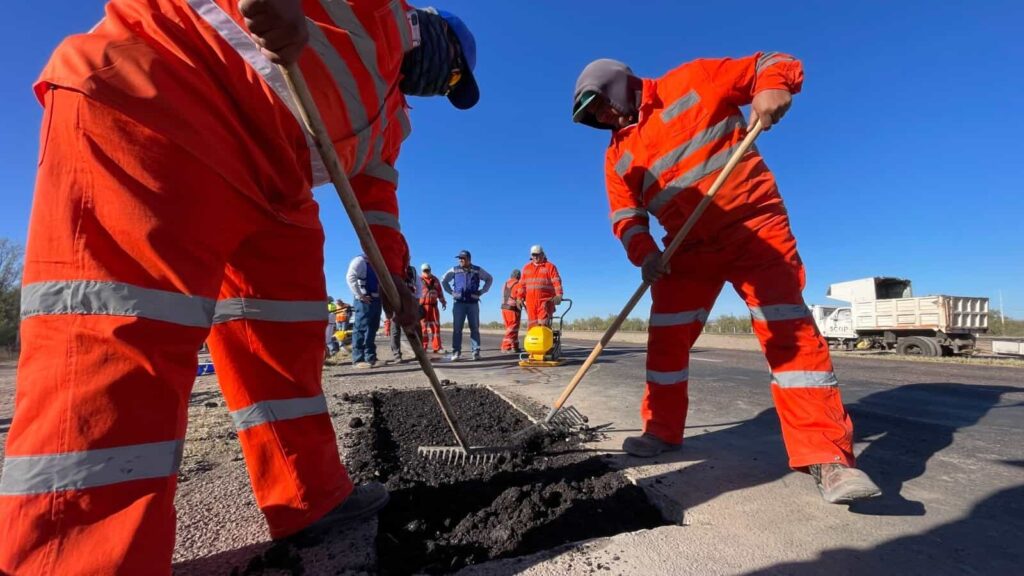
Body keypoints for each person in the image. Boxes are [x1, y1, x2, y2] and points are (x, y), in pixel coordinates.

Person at [0, 1, 481, 572]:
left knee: (285, 346)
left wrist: (395, 277)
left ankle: (309, 496)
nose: (439, 86)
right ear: (435, 30)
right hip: (169, 89)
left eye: (450, 87)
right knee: (119, 337)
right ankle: (76, 558)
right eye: (450, 73)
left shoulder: (392, 118)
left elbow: (377, 201)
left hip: (278, 183)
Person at [571, 54, 880, 504]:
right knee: (665, 343)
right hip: (685, 247)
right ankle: (661, 432)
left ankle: (828, 457)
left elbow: (772, 63)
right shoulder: (618, 155)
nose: (602, 117)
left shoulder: (693, 79)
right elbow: (625, 216)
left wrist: (773, 87)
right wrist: (646, 254)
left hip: (753, 226)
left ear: (617, 84)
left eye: (600, 105)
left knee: (787, 332)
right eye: (593, 116)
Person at [441, 250, 492, 361]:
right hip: (459, 303)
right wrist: (451, 292)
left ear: (469, 259)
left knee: (474, 329)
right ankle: (456, 353)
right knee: (457, 329)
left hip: (473, 303)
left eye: (463, 258)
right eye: (459, 258)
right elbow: (443, 280)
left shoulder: (477, 270)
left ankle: (476, 352)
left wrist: (482, 291)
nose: (461, 260)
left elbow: (489, 278)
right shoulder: (454, 270)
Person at [347, 254, 383, 368]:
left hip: (377, 300)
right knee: (360, 328)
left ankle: (371, 357)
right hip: (364, 301)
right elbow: (350, 277)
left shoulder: (378, 262)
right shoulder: (359, 261)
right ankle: (358, 359)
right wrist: (360, 295)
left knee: (373, 328)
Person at [517, 245, 564, 329]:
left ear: (542, 254)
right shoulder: (526, 268)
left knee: (543, 326)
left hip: (545, 302)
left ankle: (545, 341)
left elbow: (556, 282)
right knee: (532, 327)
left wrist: (559, 295)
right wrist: (519, 298)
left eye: (537, 255)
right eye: (533, 255)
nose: (535, 257)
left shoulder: (550, 267)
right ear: (531, 256)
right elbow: (522, 285)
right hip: (530, 303)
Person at [386, 265, 422, 364]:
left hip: (409, 302)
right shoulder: (391, 268)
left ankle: (419, 354)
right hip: (395, 301)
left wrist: (416, 299)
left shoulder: (412, 270)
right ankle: (397, 355)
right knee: (395, 329)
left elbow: (418, 286)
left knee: (415, 327)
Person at [419, 263, 447, 353]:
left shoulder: (435, 280)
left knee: (436, 327)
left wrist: (443, 301)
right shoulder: (418, 280)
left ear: (430, 270)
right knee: (423, 328)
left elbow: (440, 292)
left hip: (433, 307)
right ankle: (423, 347)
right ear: (422, 271)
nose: (427, 272)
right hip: (422, 308)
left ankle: (437, 347)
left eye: (428, 270)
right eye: (425, 271)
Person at [500, 269, 523, 352]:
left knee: (510, 328)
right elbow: (519, 296)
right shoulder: (518, 284)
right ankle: (505, 346)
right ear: (518, 276)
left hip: (504, 308)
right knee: (513, 328)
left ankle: (514, 346)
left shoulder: (505, 283)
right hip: (513, 309)